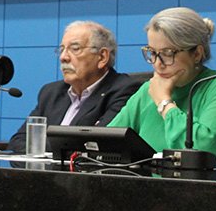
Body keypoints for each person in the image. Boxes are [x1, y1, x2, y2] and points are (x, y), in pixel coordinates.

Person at [108, 8, 216, 158]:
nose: (158, 64)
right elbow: (109, 140)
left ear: (197, 54)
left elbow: (204, 150)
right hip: (148, 173)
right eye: (152, 53)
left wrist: (164, 103)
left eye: (168, 53)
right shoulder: (149, 89)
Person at [7, 21, 139, 151]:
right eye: (61, 50)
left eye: (75, 49)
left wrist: (40, 147)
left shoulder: (124, 91)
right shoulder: (51, 92)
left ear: (102, 57)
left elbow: (96, 144)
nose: (63, 57)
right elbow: (17, 141)